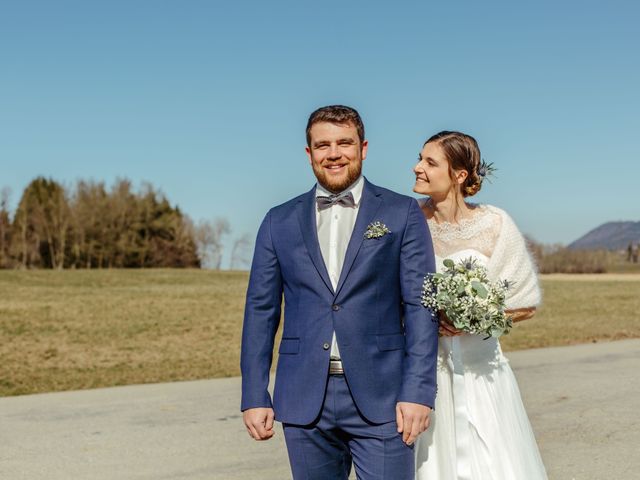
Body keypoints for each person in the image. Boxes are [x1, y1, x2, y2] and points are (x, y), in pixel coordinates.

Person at [241, 105, 439, 479]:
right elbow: (260, 311)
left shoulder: (402, 213)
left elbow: (419, 307)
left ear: (363, 148)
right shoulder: (277, 221)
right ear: (309, 153)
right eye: (322, 145)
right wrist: (254, 394)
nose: (333, 154)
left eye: (344, 143)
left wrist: (418, 391)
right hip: (303, 398)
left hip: (384, 397)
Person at [412, 131, 548, 479]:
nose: (417, 168)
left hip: (483, 374)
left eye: (430, 162)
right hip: (429, 377)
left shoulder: (494, 224)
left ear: (459, 174)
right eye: (419, 159)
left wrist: (473, 319)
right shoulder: (410, 223)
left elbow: (525, 301)